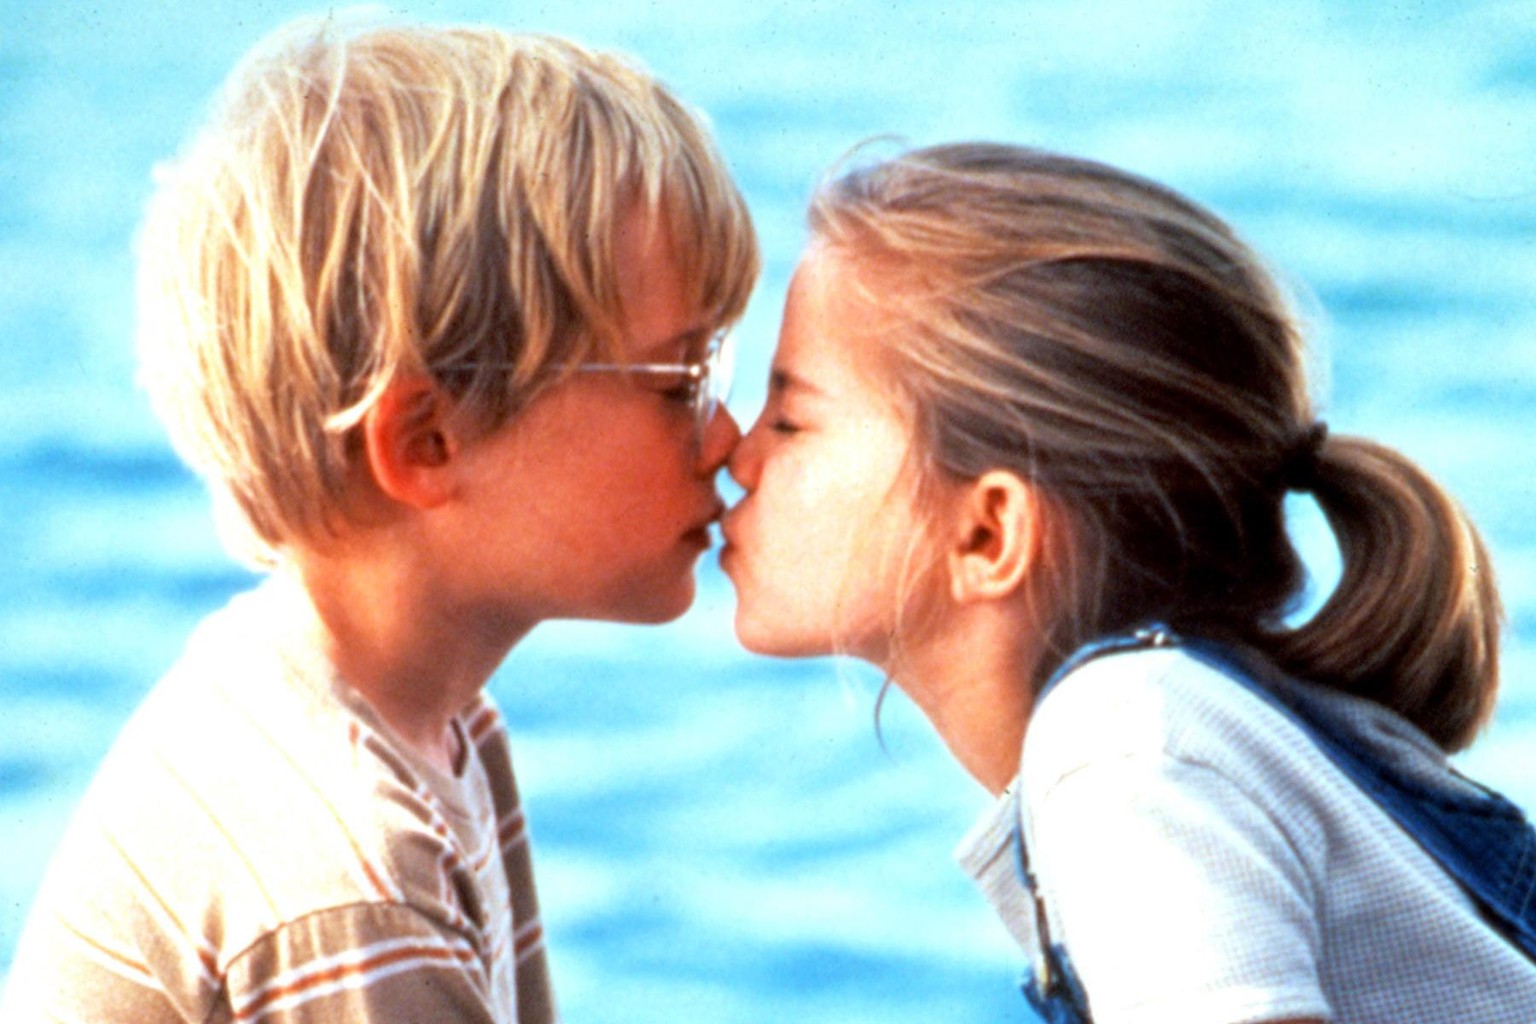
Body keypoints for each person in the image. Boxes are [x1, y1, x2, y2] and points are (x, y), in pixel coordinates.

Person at [2, 15, 756, 1024]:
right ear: (426, 442)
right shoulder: (348, 876)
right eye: (681, 380)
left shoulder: (431, 727)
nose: (728, 438)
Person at [718, 141, 1536, 1023]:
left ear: (989, 533)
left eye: (790, 420)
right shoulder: (1199, 723)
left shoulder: (1126, 749)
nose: (735, 453)